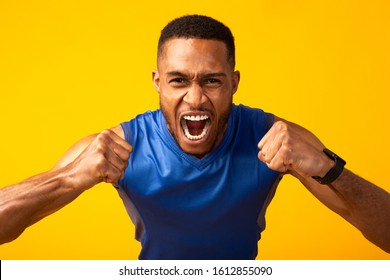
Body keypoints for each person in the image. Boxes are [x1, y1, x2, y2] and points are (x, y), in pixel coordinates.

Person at [0, 15, 389, 259]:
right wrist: (67, 177)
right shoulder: (120, 145)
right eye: (179, 80)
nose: (196, 97)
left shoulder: (273, 138)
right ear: (158, 84)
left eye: (212, 81)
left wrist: (328, 168)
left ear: (234, 83)